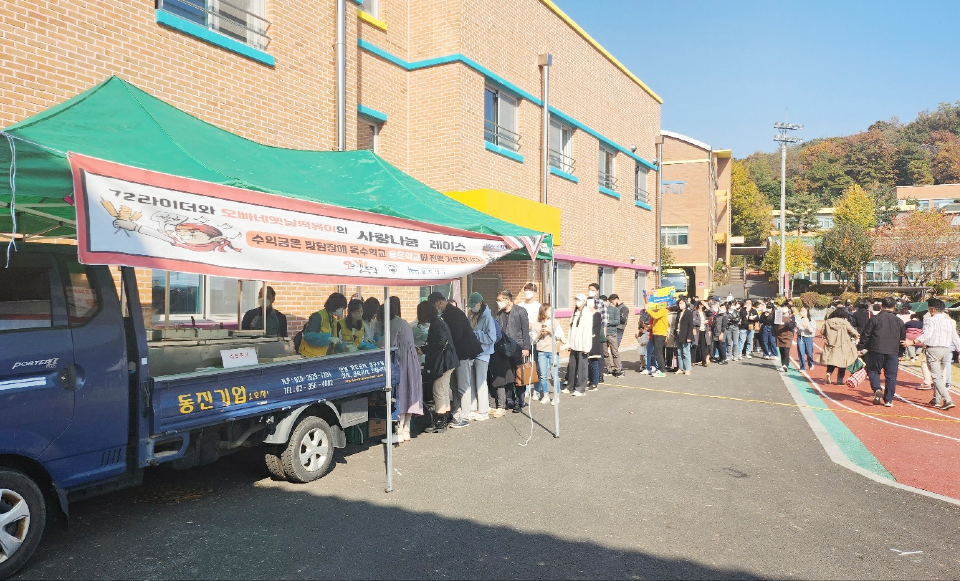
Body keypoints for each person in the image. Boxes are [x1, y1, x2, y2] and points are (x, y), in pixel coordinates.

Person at [428, 292, 481, 429]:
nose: (435, 309)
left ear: (439, 302)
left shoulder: (453, 314)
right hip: (458, 354)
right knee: (455, 385)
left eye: (434, 305)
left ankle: (464, 416)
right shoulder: (449, 313)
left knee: (463, 385)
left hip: (463, 353)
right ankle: (457, 412)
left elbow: (456, 336)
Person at [903, 298, 959, 411]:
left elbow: (927, 335)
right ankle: (936, 398)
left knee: (936, 376)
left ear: (932, 309)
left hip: (933, 349)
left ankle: (947, 399)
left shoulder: (930, 320)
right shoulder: (948, 321)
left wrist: (912, 342)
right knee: (940, 375)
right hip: (946, 350)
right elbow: (955, 337)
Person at [380, 297, 423, 443]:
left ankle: (398, 431)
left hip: (402, 361)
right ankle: (406, 429)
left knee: (401, 393)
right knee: (411, 392)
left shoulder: (394, 323)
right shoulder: (404, 322)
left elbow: (387, 344)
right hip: (412, 361)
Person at [418, 300, 459, 432]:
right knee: (444, 390)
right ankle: (446, 417)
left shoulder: (437, 325)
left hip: (444, 361)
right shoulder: (439, 322)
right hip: (449, 361)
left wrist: (424, 349)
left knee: (438, 390)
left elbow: (439, 343)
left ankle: (439, 421)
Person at [858, 297, 906, 407]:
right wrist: (901, 353)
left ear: (882, 306)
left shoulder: (875, 319)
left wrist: (861, 348)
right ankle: (888, 400)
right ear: (894, 307)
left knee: (873, 371)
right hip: (893, 351)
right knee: (891, 376)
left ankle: (877, 388)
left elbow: (866, 335)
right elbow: (902, 339)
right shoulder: (899, 321)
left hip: (875, 349)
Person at [491, 290, 531, 414]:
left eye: (500, 300)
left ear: (507, 300)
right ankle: (510, 400)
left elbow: (525, 330)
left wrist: (526, 347)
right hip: (504, 349)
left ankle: (519, 401)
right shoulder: (499, 314)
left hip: (518, 347)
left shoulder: (520, 311)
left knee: (519, 375)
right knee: (508, 375)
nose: (498, 303)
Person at [466, 292, 496, 421]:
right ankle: (473, 408)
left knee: (481, 382)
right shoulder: (474, 316)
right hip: (473, 353)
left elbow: (492, 337)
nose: (472, 308)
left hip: (483, 354)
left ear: (480, 303)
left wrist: (476, 334)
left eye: (474, 305)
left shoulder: (488, 317)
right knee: (472, 382)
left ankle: (483, 411)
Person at [298, 292, 348, 357]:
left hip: (325, 356)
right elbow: (308, 336)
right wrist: (328, 338)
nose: (342, 311)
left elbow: (334, 342)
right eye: (342, 308)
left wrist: (345, 345)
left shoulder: (334, 321)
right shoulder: (317, 316)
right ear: (335, 306)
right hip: (309, 356)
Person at [819, 307, 860, 385]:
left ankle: (829, 373)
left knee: (831, 361)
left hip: (831, 345)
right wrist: (856, 337)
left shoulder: (828, 322)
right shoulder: (845, 322)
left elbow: (822, 331)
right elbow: (853, 331)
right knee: (843, 363)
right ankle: (840, 381)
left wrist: (826, 335)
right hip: (843, 345)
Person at [534, 303, 565, 403]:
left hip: (552, 350)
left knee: (553, 373)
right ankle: (546, 395)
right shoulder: (537, 323)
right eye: (548, 310)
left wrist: (550, 330)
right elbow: (533, 339)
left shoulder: (554, 322)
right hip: (541, 351)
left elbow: (560, 335)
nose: (550, 312)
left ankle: (556, 396)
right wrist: (540, 334)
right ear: (543, 311)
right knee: (543, 374)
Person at [564, 294, 592, 395]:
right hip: (573, 345)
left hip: (582, 345)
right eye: (576, 300)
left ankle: (580, 389)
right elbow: (571, 329)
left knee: (582, 368)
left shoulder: (587, 314)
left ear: (584, 301)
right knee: (572, 367)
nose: (577, 302)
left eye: (579, 300)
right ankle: (570, 386)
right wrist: (568, 343)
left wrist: (586, 346)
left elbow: (588, 331)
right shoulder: (575, 313)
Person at [645, 300, 669, 377]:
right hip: (656, 333)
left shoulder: (663, 311)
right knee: (657, 352)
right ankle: (660, 369)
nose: (659, 304)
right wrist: (649, 327)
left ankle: (662, 371)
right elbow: (655, 322)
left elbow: (655, 316)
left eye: (661, 303)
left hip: (660, 334)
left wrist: (647, 309)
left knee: (658, 353)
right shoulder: (659, 311)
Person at [604, 294, 624, 377]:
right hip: (605, 333)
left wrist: (608, 322)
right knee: (605, 353)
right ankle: (608, 369)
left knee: (614, 352)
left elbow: (617, 321)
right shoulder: (603, 310)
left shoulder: (615, 310)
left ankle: (617, 369)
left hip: (611, 333)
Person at [674, 298, 694, 375]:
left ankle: (687, 368)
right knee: (679, 352)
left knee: (686, 352)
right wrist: (674, 333)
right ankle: (680, 368)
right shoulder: (678, 312)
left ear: (685, 304)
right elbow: (676, 324)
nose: (680, 305)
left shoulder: (689, 313)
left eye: (681, 303)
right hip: (678, 334)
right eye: (679, 303)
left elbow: (690, 325)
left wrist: (689, 337)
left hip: (685, 335)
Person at [775, 302, 796, 372]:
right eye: (782, 307)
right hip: (780, 335)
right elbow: (774, 323)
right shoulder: (778, 314)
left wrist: (785, 323)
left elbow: (792, 325)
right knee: (781, 351)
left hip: (788, 335)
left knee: (786, 350)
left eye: (785, 307)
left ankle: (785, 365)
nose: (783, 309)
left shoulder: (791, 316)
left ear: (788, 309)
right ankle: (783, 364)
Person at [796, 306, 817, 371]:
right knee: (801, 352)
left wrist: (807, 326)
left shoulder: (811, 320)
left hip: (808, 338)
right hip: (801, 338)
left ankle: (810, 363)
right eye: (801, 311)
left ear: (807, 312)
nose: (802, 312)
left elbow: (812, 331)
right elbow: (797, 325)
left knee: (809, 353)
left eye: (804, 311)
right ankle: (802, 367)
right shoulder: (799, 319)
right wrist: (799, 318)